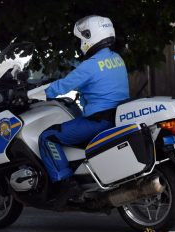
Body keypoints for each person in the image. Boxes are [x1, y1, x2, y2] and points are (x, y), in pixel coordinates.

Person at [39, 15, 129, 186]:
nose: (80, 44)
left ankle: (62, 183)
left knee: (47, 137)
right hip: (117, 117)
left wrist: (37, 93)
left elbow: (63, 86)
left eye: (81, 39)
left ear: (90, 37)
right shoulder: (117, 59)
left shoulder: (90, 65)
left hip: (99, 121)